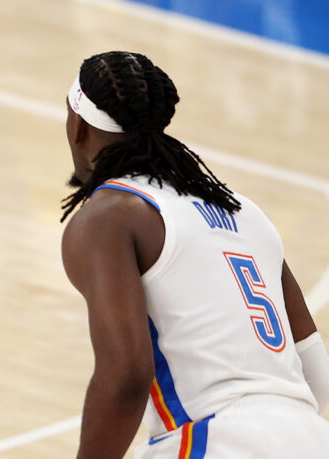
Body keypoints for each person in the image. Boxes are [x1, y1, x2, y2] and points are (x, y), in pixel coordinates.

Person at [59, 51, 329, 458]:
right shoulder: (244, 209)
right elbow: (318, 375)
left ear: (77, 125)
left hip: (214, 442)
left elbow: (127, 377)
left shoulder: (109, 216)